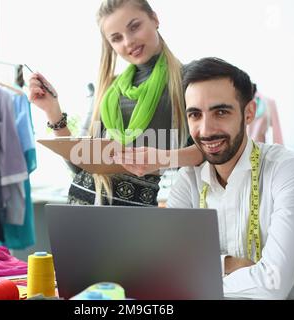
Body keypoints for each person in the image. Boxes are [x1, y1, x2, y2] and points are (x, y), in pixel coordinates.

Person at [167, 57, 294, 299]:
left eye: (220, 112)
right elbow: (170, 271)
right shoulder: (187, 182)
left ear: (248, 113)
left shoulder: (287, 170)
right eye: (195, 115)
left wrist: (200, 275)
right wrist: (228, 264)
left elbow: (274, 283)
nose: (206, 130)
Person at [29, 0, 202, 206]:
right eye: (116, 38)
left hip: (136, 214)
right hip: (80, 207)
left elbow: (209, 152)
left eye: (134, 27)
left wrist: (164, 158)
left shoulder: (188, 81)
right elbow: (80, 165)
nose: (128, 42)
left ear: (155, 19)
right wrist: (52, 110)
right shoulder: (107, 89)